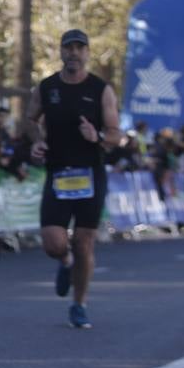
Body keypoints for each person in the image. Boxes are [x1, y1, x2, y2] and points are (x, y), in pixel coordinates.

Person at [29, 29, 121, 331]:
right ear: (60, 52)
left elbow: (115, 135)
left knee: (84, 242)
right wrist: (37, 141)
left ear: (87, 53)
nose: (74, 53)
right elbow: (30, 121)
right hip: (58, 173)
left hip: (90, 174)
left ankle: (79, 304)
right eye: (69, 48)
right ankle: (65, 262)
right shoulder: (47, 87)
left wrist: (98, 137)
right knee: (53, 243)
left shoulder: (100, 89)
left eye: (80, 48)